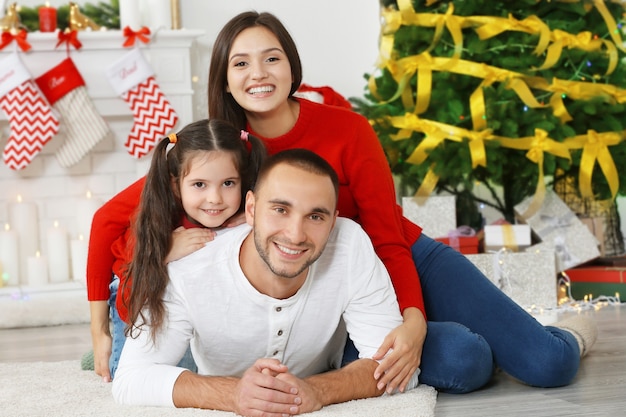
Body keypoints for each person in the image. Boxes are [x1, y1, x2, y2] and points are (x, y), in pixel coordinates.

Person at [205, 10, 597, 394]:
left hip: (404, 255)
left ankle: (561, 333)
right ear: (224, 79)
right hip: (334, 295)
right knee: (465, 359)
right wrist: (170, 241)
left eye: (272, 58)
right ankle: (488, 345)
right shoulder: (217, 149)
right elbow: (144, 205)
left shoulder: (348, 129)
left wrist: (413, 320)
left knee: (550, 362)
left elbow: (386, 235)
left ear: (292, 66)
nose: (258, 73)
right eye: (241, 63)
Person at [112, 148, 421, 414]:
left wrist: (317, 390)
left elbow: (402, 369)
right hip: (192, 343)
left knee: (455, 356)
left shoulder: (350, 243)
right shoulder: (187, 269)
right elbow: (130, 381)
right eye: (280, 210)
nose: (295, 235)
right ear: (251, 208)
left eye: (316, 217)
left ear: (333, 220)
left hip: (330, 359)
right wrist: (233, 394)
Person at [85, 118, 266, 381]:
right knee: (144, 374)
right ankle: (106, 346)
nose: (215, 198)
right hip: (135, 295)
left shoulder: (245, 212)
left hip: (194, 310)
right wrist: (162, 255)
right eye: (199, 185)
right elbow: (130, 305)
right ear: (175, 185)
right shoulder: (149, 226)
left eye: (228, 184)